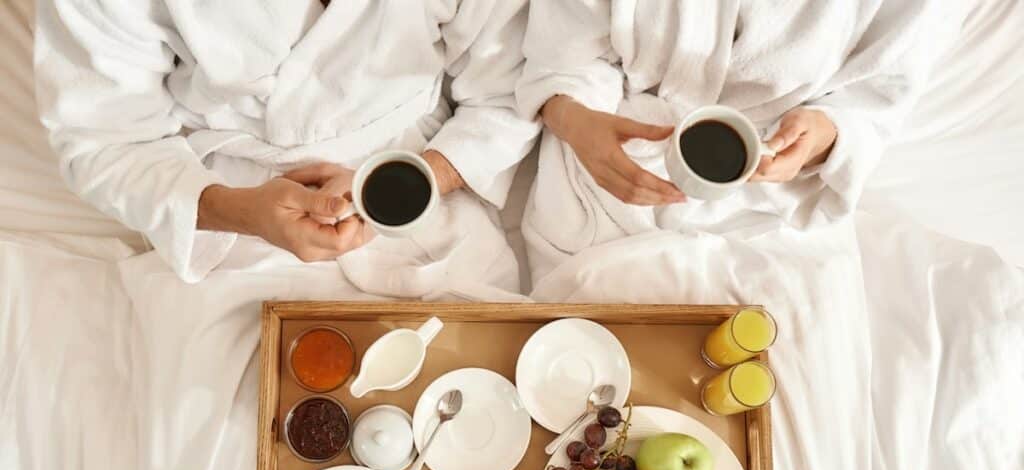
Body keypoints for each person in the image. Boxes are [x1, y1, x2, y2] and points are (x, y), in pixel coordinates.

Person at [35, 0, 538, 297]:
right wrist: (240, 212)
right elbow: (104, 138)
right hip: (237, 207)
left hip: (419, 173)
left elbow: (509, 87)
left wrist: (419, 177)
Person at [515, 0, 941, 285]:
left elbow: (880, 93)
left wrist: (824, 133)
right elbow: (564, 50)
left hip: (774, 203)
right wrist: (574, 119)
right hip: (609, 163)